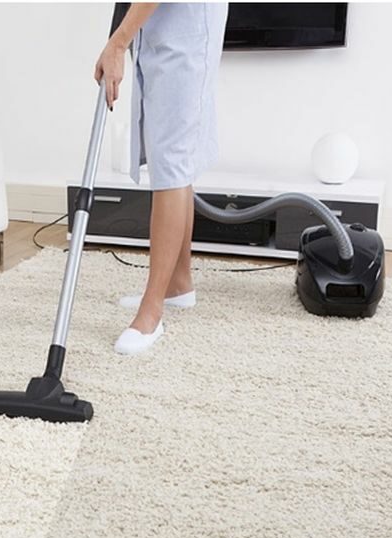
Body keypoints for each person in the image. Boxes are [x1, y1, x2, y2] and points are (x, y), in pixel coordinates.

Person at [94, 2, 228, 354]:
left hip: (185, 30)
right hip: (166, 27)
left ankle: (151, 310)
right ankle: (177, 286)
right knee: (171, 162)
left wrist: (119, 43)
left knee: (171, 166)